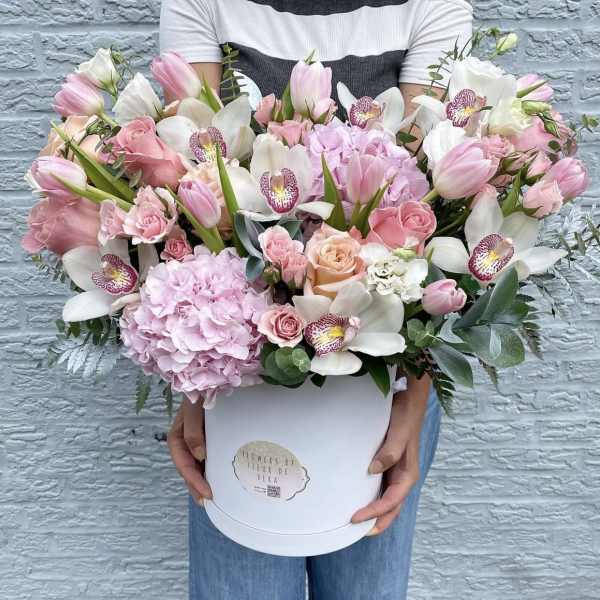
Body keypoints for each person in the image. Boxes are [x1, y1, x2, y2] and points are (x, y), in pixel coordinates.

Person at [160, 1, 473, 598]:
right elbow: (186, 177)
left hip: (388, 377)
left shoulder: (430, 5)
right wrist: (195, 388)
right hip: (239, 376)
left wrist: (413, 402)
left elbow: (434, 201)